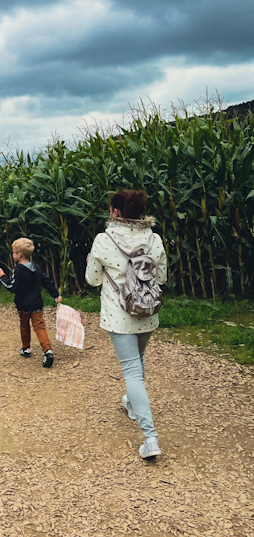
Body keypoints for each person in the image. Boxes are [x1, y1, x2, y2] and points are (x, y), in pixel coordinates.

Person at [85, 189, 167, 459]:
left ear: (116, 212)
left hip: (119, 315)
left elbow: (93, 280)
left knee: (132, 371)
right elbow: (162, 278)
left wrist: (92, 262)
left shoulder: (103, 239)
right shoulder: (154, 239)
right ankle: (132, 403)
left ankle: (150, 437)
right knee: (138, 361)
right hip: (147, 312)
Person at [0, 237, 62, 368]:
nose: (13, 254)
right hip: (37, 304)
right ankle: (47, 351)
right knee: (40, 327)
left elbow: (12, 287)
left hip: (23, 305)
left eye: (14, 252)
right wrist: (55, 294)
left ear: (19, 254)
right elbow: (46, 281)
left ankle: (26, 348)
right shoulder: (36, 268)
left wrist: (3, 277)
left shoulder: (18, 270)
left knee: (24, 325)